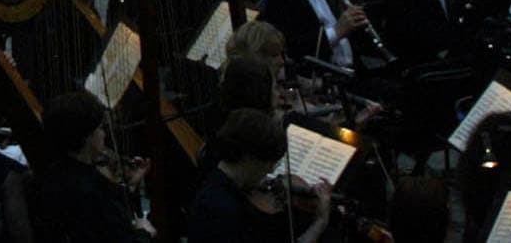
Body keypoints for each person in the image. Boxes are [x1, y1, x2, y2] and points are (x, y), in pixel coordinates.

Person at [183, 110, 330, 242]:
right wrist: (320, 222)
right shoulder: (227, 215)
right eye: (269, 164)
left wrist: (281, 184)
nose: (270, 171)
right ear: (249, 158)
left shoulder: (214, 170)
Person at [25, 90, 148, 243]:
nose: (104, 134)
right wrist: (144, 231)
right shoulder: (90, 191)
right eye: (101, 128)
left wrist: (130, 185)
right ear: (87, 136)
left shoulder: (49, 176)